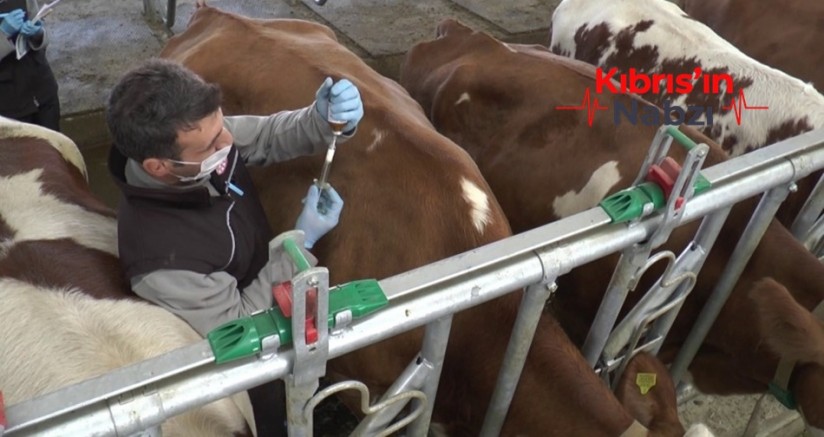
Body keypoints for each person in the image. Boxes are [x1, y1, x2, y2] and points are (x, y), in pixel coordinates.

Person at [106, 58, 363, 436]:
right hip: (247, 378)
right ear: (159, 167)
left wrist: (321, 121)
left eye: (222, 125)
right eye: (211, 144)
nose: (228, 143)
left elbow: (265, 136)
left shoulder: (202, 144)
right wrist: (301, 242)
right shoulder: (162, 260)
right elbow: (241, 328)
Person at [0, 0, 60, 131]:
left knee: (52, 140)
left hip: (43, 91)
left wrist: (38, 33)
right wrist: (2, 34)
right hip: (9, 105)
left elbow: (39, 23)